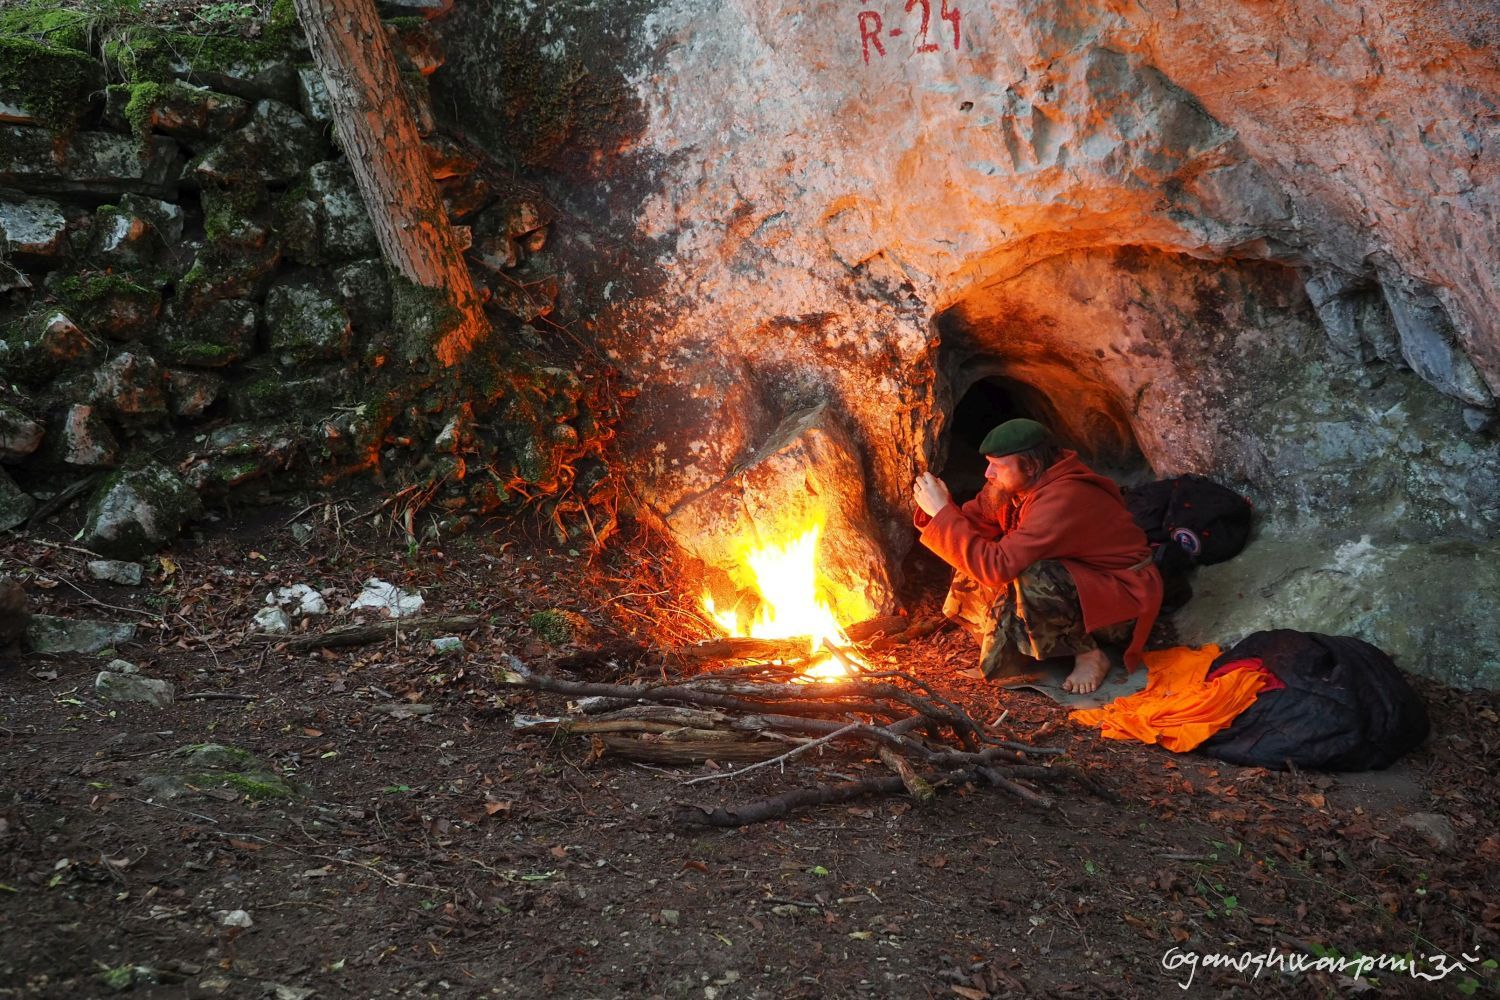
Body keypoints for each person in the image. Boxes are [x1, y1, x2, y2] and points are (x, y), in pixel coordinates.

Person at [912, 418, 1162, 694]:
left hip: (1121, 599)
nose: (988, 473)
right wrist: (942, 510)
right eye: (988, 462)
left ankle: (1090, 653)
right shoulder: (1012, 486)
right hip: (1082, 582)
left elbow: (997, 566)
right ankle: (1015, 645)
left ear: (1030, 466)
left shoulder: (1064, 497)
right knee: (967, 554)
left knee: (1031, 574)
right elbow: (969, 528)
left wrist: (942, 515)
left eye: (998, 465)